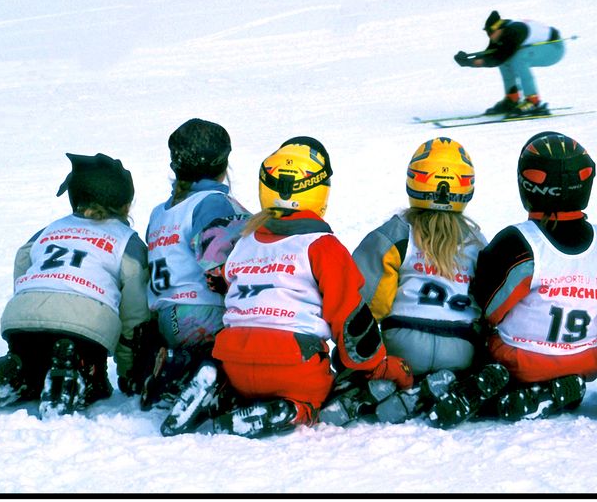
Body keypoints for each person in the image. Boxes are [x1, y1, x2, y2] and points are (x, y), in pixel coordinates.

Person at [161, 136, 413, 438]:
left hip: (234, 359)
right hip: (293, 363)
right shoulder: (323, 247)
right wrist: (377, 366)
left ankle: (219, 393)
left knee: (245, 377)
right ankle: (291, 409)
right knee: (318, 396)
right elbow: (350, 321)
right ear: (319, 191)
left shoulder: (243, 242)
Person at [0, 153, 150, 422]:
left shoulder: (50, 229)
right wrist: (128, 369)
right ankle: (75, 371)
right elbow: (135, 312)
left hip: (22, 318)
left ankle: (16, 369)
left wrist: (30, 300)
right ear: (125, 205)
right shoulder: (126, 242)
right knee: (96, 382)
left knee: (31, 365)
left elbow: (22, 259)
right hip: (85, 326)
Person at [428, 131, 597, 429]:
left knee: (479, 338)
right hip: (584, 358)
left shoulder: (520, 241)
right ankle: (560, 393)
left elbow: (490, 308)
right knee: (566, 375)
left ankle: (485, 391)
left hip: (523, 359)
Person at [320, 137, 492, 426]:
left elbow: (369, 301)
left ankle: (367, 388)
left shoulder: (397, 233)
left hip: (403, 345)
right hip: (460, 348)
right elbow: (487, 303)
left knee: (353, 356)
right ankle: (441, 387)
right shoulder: (477, 242)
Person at [131, 118, 250, 414]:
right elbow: (216, 258)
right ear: (224, 164)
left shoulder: (161, 212)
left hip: (166, 317)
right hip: (203, 314)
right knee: (256, 337)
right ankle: (203, 371)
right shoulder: (212, 202)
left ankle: (173, 364)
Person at [453, 10, 566, 116]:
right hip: (544, 46)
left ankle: (533, 101)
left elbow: (498, 57)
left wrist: (472, 63)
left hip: (555, 48)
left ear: (499, 28)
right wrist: (468, 59)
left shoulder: (514, 32)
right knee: (507, 59)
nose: (490, 36)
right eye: (488, 33)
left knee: (518, 59)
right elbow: (492, 54)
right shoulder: (500, 33)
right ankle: (512, 98)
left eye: (491, 32)